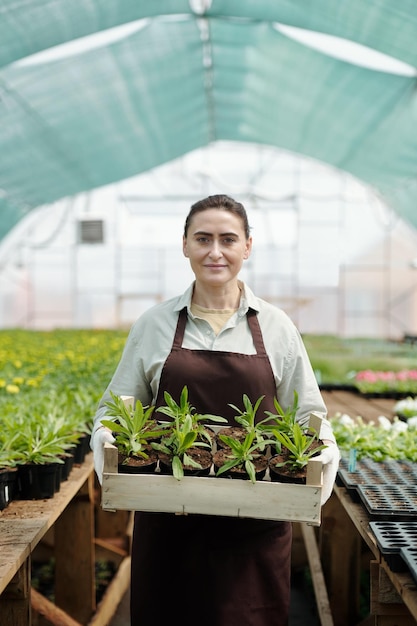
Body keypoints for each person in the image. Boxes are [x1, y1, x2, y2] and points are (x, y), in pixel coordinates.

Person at [91, 194, 340, 626]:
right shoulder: (155, 324)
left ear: (247, 246)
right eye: (202, 238)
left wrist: (322, 454)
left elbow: (307, 415)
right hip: (170, 521)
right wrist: (109, 440)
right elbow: (116, 409)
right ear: (185, 245)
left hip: (255, 526)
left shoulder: (277, 326)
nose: (215, 251)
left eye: (228, 239)